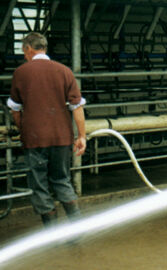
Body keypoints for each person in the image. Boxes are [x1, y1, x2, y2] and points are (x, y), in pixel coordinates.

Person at [7, 32, 87, 227]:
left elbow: (15, 110)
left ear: (28, 49)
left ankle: (51, 231)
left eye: (23, 51)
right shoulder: (65, 71)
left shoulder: (21, 73)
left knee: (39, 184)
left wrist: (23, 130)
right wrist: (81, 136)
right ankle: (76, 227)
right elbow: (77, 107)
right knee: (61, 179)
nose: (24, 55)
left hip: (34, 140)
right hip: (61, 138)